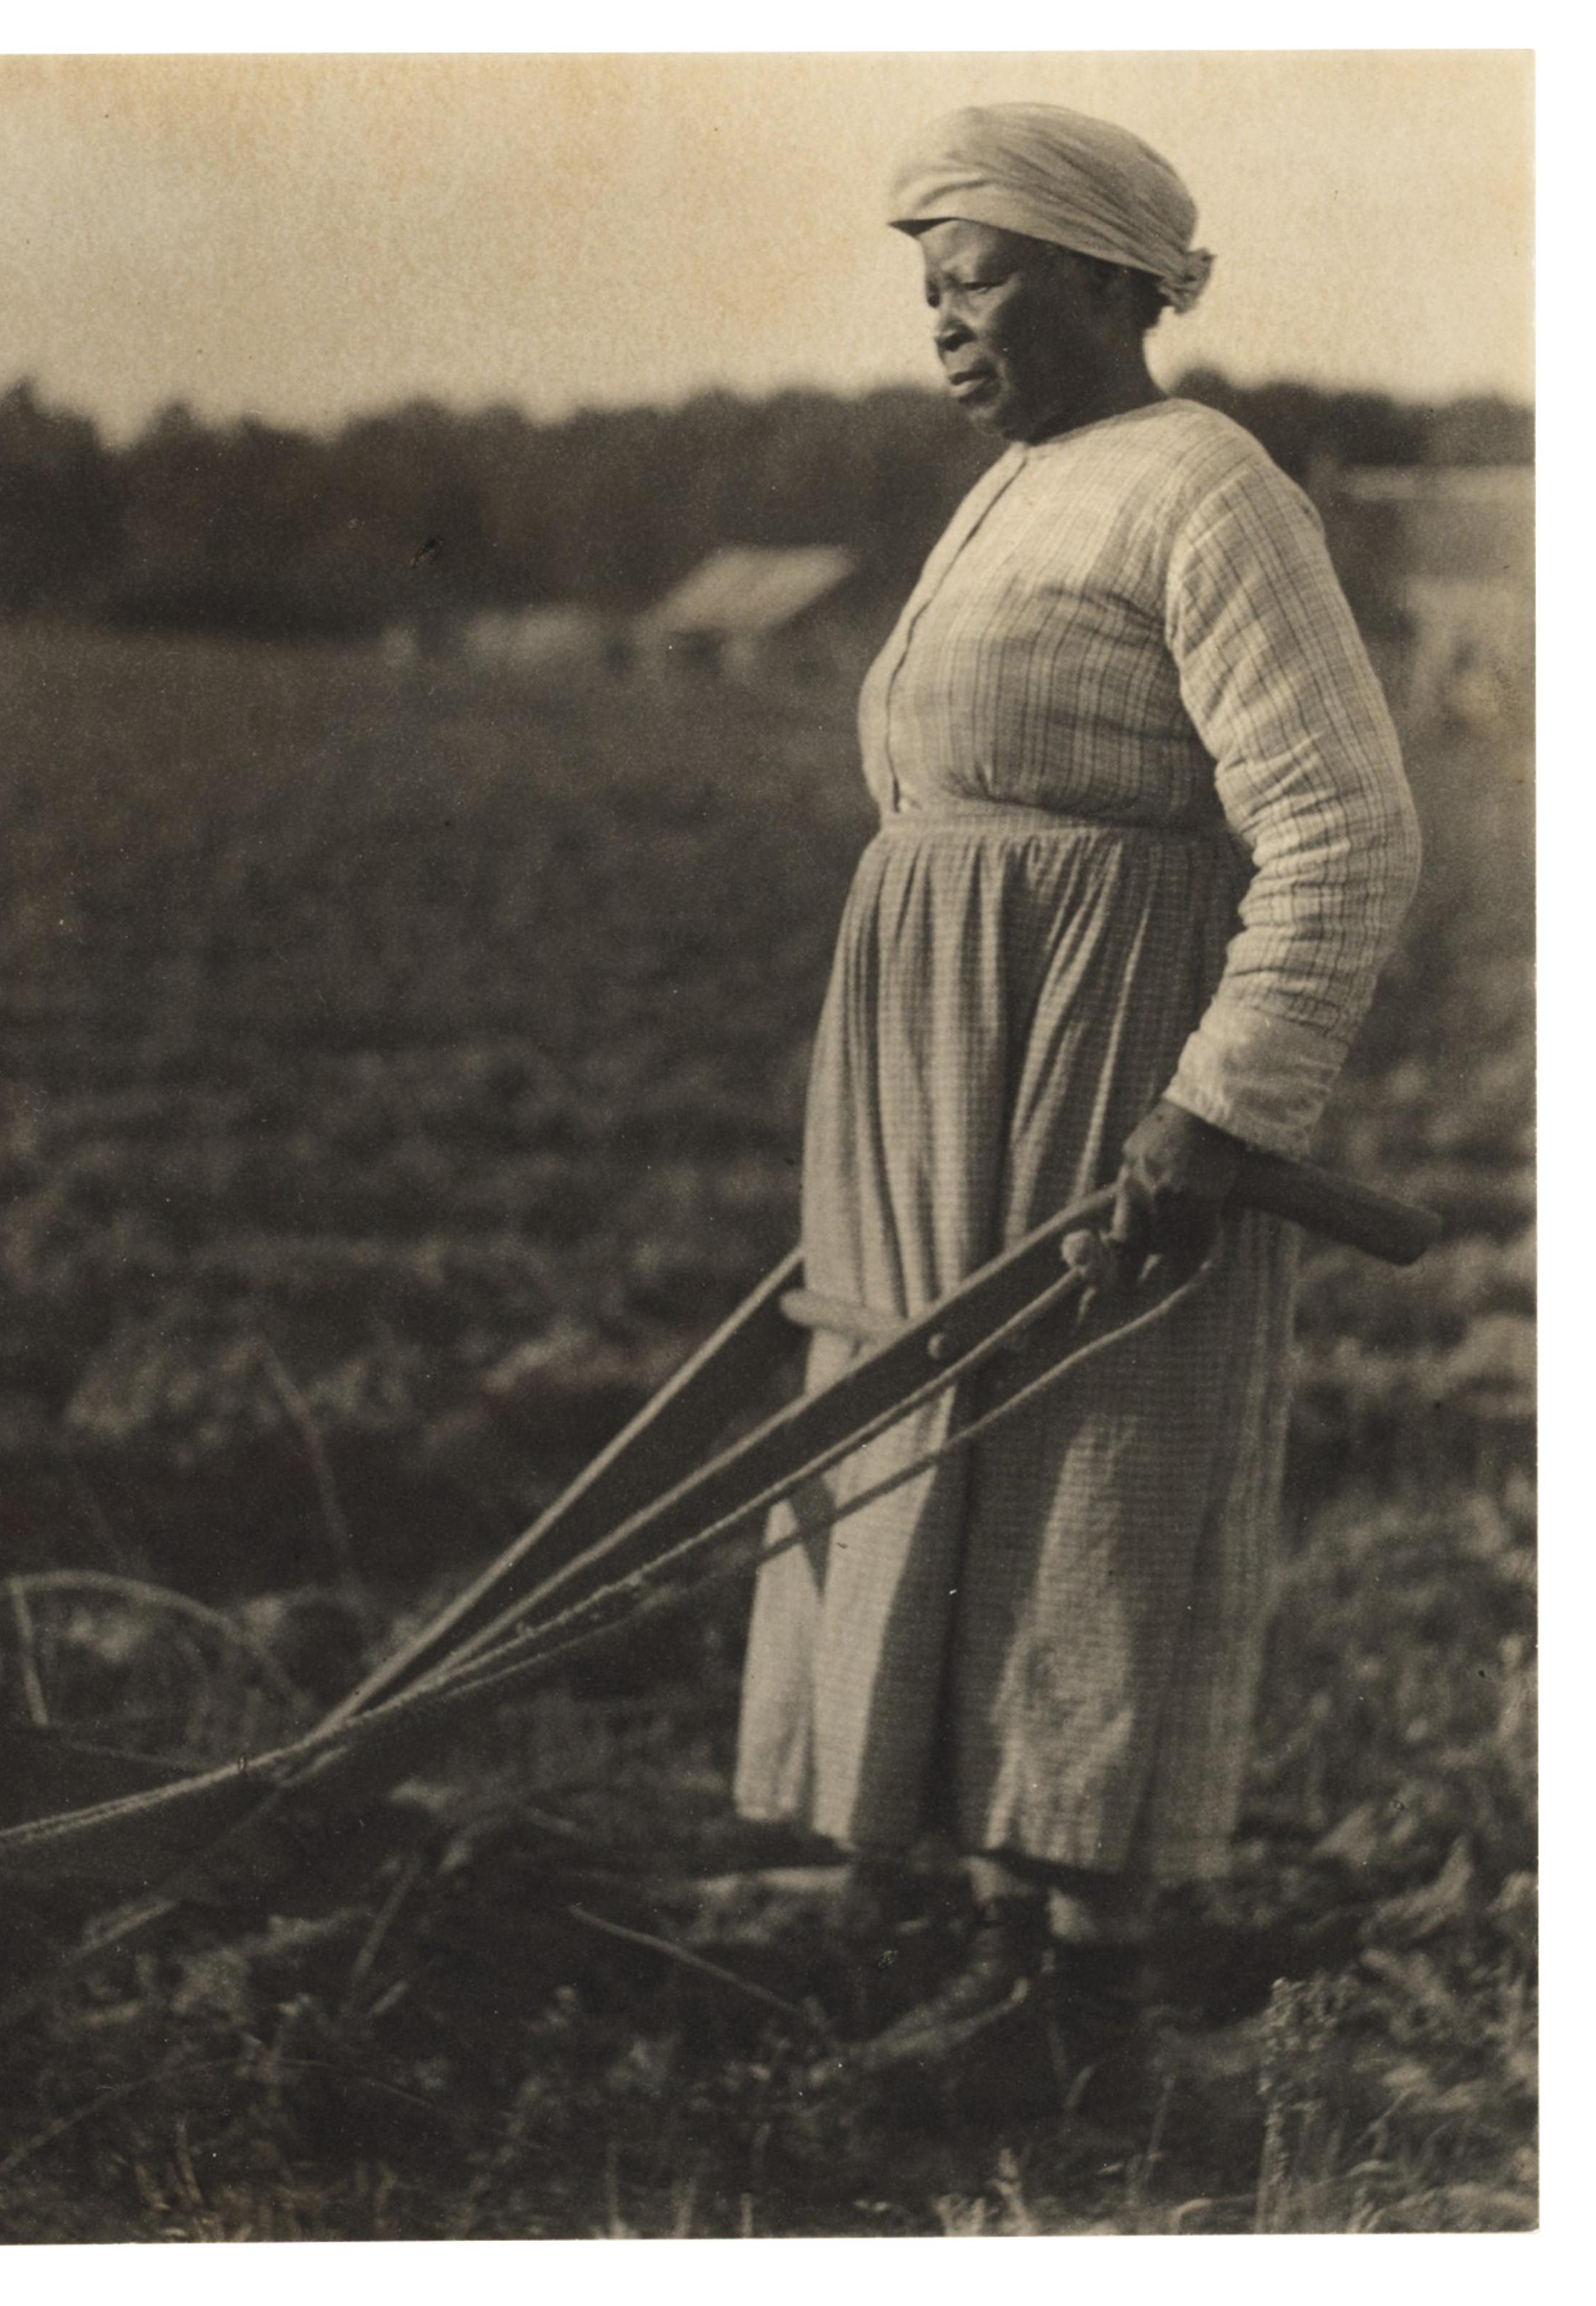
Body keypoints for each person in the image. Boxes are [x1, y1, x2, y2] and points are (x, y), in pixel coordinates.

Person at [731, 102, 1422, 2109]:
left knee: (1085, 1488)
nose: (940, 322)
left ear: (1116, 283)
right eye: (925, 288)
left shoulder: (1205, 488)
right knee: (933, 1464)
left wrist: (1217, 1108)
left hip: (1096, 1057)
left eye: (982, 278)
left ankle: (1081, 2010)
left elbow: (1342, 833)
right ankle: (986, 1937)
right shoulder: (1023, 484)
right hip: (946, 1056)